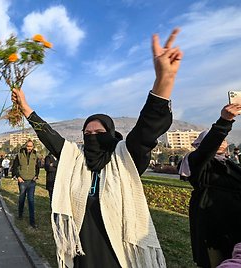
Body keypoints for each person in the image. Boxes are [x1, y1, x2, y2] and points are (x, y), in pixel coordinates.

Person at [12, 28, 183, 267]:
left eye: (99, 133)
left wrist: (164, 80)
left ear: (112, 135)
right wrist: (27, 109)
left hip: (118, 251)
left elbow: (148, 128)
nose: (92, 137)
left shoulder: (124, 157)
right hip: (82, 250)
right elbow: (50, 137)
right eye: (87, 133)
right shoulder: (76, 158)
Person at [178, 104, 241, 268]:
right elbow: (207, 150)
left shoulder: (230, 163)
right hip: (213, 224)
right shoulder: (197, 162)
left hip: (236, 223)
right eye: (217, 139)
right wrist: (224, 122)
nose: (221, 142)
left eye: (224, 139)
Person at [12, 140, 40, 228]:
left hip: (31, 181)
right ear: (25, 146)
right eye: (28, 146)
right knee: (22, 199)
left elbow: (37, 167)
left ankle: (32, 221)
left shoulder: (35, 155)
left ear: (33, 147)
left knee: (31, 200)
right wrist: (18, 177)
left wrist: (36, 176)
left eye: (31, 146)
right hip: (22, 181)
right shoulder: (19, 155)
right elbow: (14, 167)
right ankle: (20, 215)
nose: (29, 148)